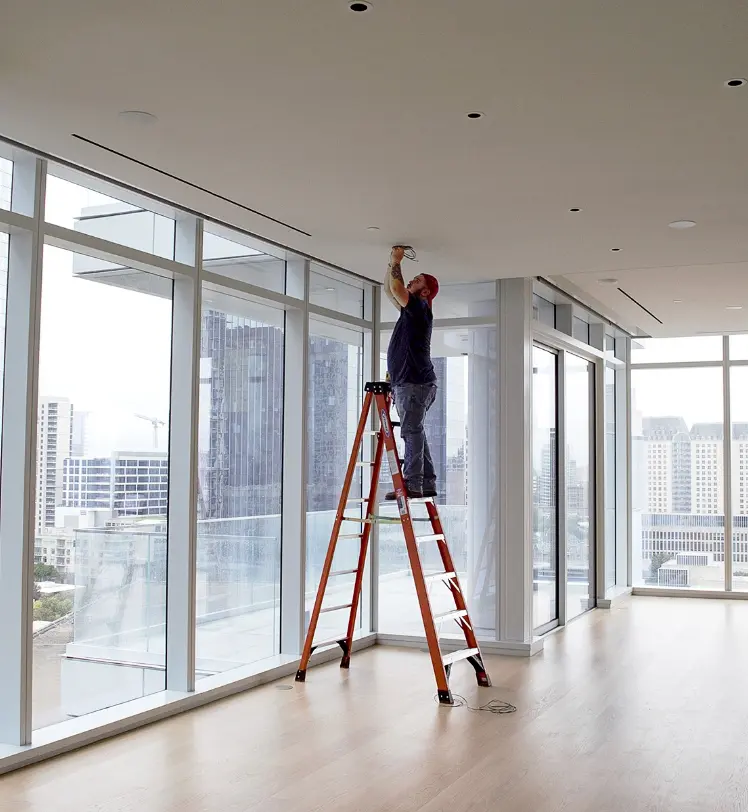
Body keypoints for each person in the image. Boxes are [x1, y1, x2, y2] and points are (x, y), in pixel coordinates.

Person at [383, 246, 440, 499]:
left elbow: (396, 290)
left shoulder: (418, 307)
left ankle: (412, 484)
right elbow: (390, 290)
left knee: (411, 432)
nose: (410, 282)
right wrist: (390, 264)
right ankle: (426, 482)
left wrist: (397, 260)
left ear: (425, 291)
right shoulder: (413, 311)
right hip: (413, 383)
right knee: (415, 430)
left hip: (414, 384)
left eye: (416, 281)